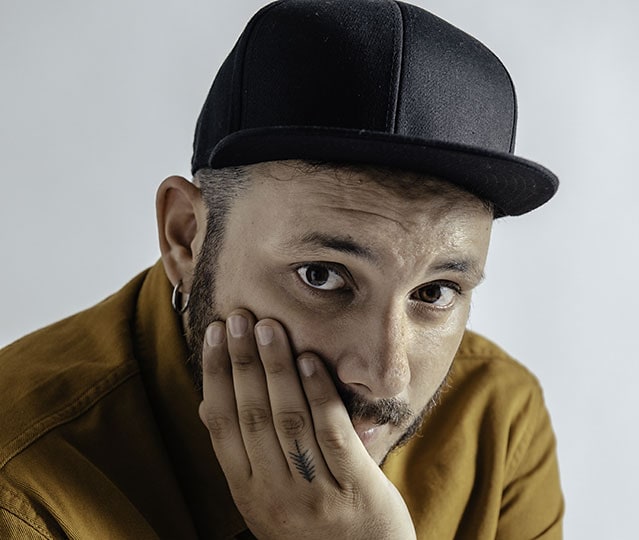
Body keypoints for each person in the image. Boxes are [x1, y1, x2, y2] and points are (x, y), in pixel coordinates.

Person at [0, 1, 564, 538]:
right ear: (186, 238)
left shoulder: (498, 421)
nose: (385, 376)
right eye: (322, 275)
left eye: (436, 291)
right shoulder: (20, 494)